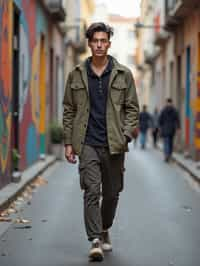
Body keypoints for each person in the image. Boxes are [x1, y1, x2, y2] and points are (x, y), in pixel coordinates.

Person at [62, 22, 139, 262]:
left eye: (103, 40)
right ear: (89, 43)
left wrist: (126, 134)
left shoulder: (123, 74)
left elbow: (132, 109)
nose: (99, 45)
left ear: (109, 43)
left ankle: (105, 227)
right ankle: (95, 239)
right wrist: (68, 142)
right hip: (86, 143)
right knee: (92, 191)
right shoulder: (76, 74)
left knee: (113, 193)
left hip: (114, 144)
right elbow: (68, 110)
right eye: (95, 40)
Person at [158, 98, 180, 162]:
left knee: (167, 143)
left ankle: (167, 155)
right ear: (171, 102)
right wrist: (178, 127)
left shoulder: (164, 110)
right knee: (170, 143)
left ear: (167, 102)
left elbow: (160, 120)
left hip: (165, 129)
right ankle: (168, 155)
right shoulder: (174, 110)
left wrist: (160, 127)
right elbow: (177, 119)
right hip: (172, 129)